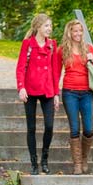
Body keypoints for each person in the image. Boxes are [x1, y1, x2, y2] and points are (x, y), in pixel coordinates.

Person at [15, 13, 61, 175]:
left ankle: (44, 159)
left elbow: (55, 70)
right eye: (47, 26)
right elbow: (21, 67)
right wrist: (21, 87)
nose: (50, 29)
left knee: (49, 126)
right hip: (30, 89)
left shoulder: (52, 45)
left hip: (47, 89)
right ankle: (34, 162)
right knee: (31, 127)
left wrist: (56, 93)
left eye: (50, 26)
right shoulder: (28, 44)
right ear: (38, 27)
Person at [58, 19, 93, 174]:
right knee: (75, 128)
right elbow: (56, 72)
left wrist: (92, 59)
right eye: (74, 31)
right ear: (69, 32)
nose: (77, 34)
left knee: (89, 129)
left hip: (86, 92)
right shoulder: (62, 50)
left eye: (80, 31)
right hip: (70, 92)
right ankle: (77, 164)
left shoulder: (88, 48)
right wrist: (55, 93)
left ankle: (84, 158)